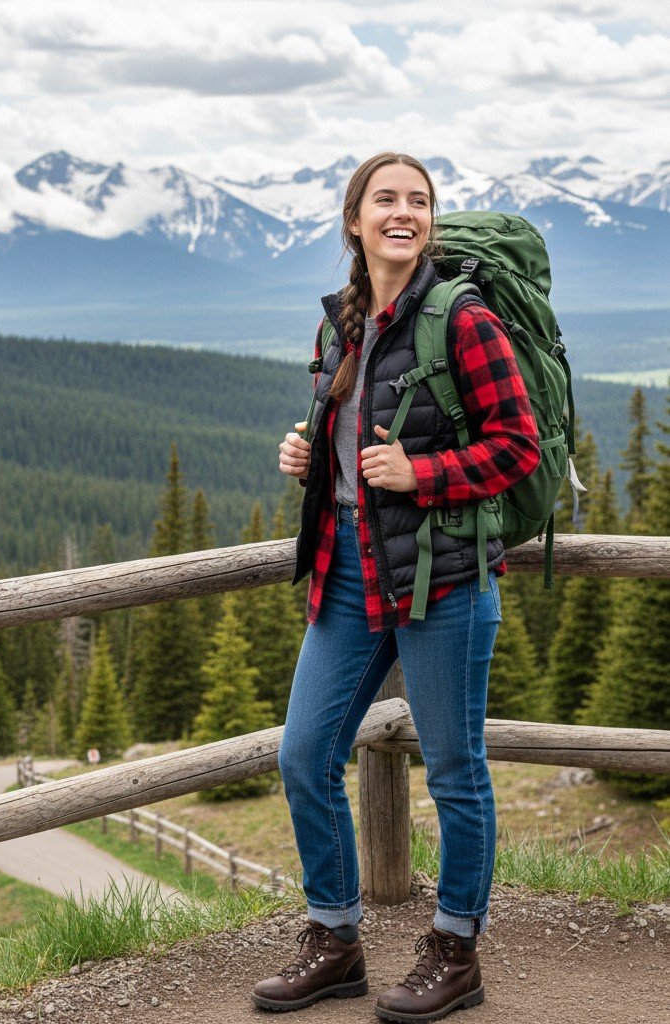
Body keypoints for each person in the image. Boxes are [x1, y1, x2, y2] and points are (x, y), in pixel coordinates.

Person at [252, 152, 540, 1021]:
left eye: (418, 201)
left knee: (454, 770)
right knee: (304, 756)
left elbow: (517, 447)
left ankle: (454, 950)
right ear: (355, 220)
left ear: (430, 223)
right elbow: (348, 437)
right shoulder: (340, 319)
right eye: (386, 200)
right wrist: (307, 459)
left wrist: (425, 473)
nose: (402, 212)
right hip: (347, 569)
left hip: (443, 579)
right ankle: (335, 940)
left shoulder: (464, 320)